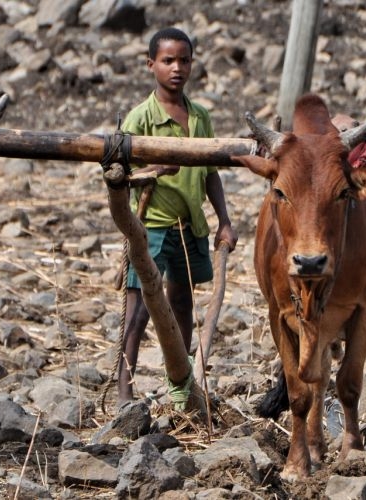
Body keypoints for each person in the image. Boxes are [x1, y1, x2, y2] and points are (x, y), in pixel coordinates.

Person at [117, 27, 238, 405]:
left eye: (184, 60)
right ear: (150, 64)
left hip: (190, 227)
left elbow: (211, 172)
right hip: (151, 227)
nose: (176, 68)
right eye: (168, 61)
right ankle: (124, 391)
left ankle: (181, 385)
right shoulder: (140, 119)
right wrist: (154, 168)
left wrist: (224, 219)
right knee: (138, 314)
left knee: (182, 304)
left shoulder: (200, 117)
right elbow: (120, 176)